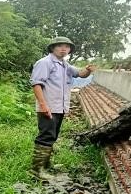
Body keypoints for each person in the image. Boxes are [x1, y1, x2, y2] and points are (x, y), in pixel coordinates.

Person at [29, 36, 95, 180]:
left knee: (53, 135)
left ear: (69, 50)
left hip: (60, 107)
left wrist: (88, 70)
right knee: (46, 136)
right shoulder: (45, 63)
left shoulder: (64, 64)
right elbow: (36, 84)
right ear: (53, 48)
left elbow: (80, 74)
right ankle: (36, 170)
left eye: (67, 46)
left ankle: (45, 165)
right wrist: (43, 105)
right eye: (60, 46)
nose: (63, 48)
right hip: (49, 107)